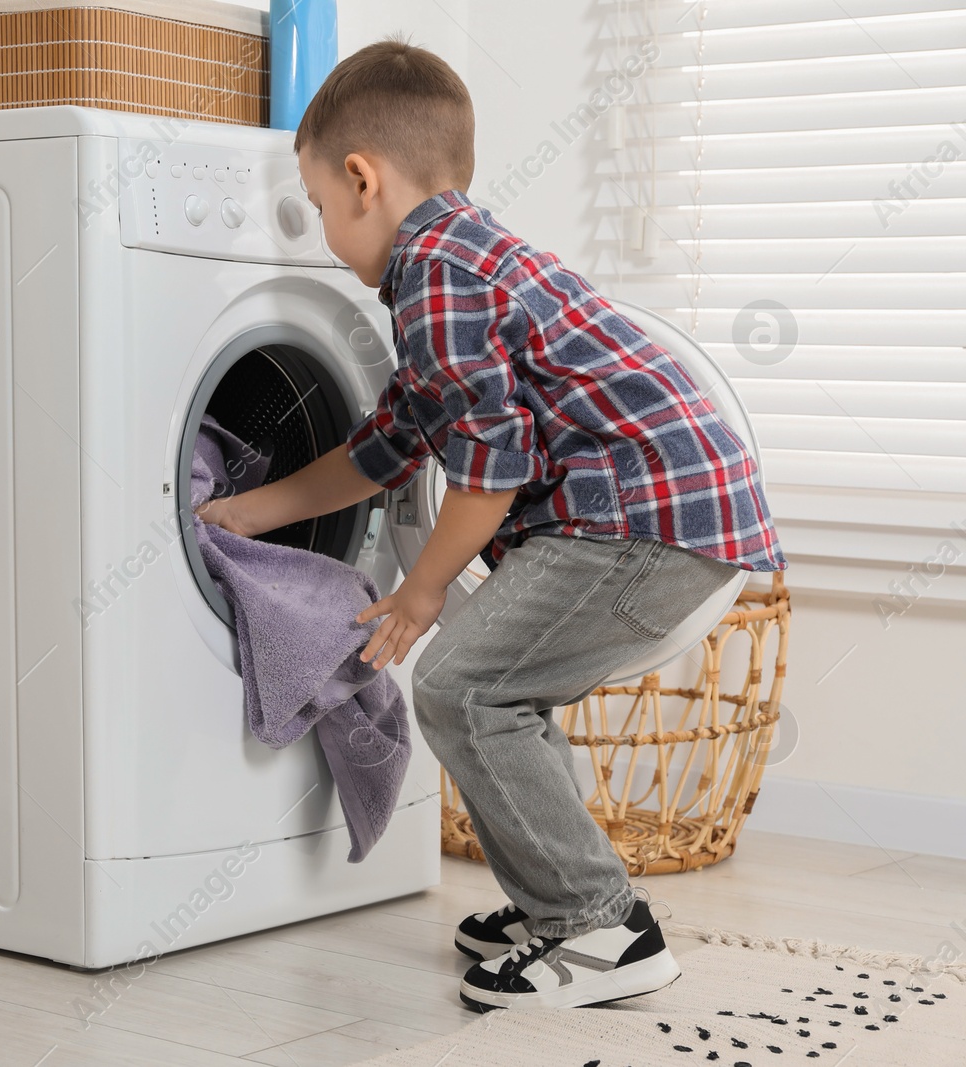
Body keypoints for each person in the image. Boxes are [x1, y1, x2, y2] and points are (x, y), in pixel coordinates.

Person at [195, 38, 786, 1012]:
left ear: (360, 179)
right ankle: (560, 906)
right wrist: (242, 510)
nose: (322, 235)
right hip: (670, 506)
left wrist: (421, 590)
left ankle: (600, 926)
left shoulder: (436, 270)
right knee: (504, 692)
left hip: (639, 515)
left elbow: (487, 469)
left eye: (317, 210)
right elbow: (385, 446)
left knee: (464, 688)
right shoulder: (460, 258)